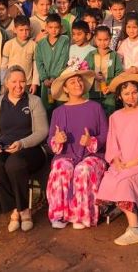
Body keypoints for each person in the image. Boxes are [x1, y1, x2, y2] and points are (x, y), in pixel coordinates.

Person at [96, 74, 138, 246]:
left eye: (134, 92)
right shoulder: (115, 117)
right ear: (119, 96)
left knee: (125, 182)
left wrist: (132, 164)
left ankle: (134, 230)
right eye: (126, 94)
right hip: (122, 164)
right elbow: (112, 145)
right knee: (108, 180)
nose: (131, 96)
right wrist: (117, 161)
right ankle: (128, 212)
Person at [0, 66, 50, 233]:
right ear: (6, 83)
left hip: (30, 148)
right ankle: (16, 208)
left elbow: (42, 131)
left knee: (14, 165)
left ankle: (24, 212)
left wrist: (21, 143)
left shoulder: (33, 101)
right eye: (14, 81)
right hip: (4, 147)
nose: (18, 85)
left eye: (22, 81)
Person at [46, 66, 109, 229]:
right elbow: (50, 140)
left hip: (92, 156)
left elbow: (106, 134)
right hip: (66, 155)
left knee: (83, 170)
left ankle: (81, 215)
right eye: (72, 82)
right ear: (65, 88)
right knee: (61, 168)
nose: (77, 84)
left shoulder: (96, 107)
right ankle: (60, 214)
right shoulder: (58, 112)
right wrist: (57, 140)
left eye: (80, 80)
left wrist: (91, 141)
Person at [86, 26, 124, 116]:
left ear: (110, 39)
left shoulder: (114, 55)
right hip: (93, 93)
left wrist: (111, 87)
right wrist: (93, 75)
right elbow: (84, 71)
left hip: (109, 94)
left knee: (109, 117)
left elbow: (119, 74)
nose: (102, 43)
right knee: (94, 116)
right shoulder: (90, 55)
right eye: (99, 40)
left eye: (106, 39)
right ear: (95, 39)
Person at [35, 14, 70, 109]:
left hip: (60, 79)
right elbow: (39, 62)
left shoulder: (64, 40)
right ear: (46, 27)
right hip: (46, 82)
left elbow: (63, 60)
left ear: (61, 28)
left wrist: (54, 77)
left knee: (61, 106)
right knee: (47, 108)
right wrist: (44, 78)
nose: (53, 30)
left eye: (56, 27)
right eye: (50, 27)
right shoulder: (41, 43)